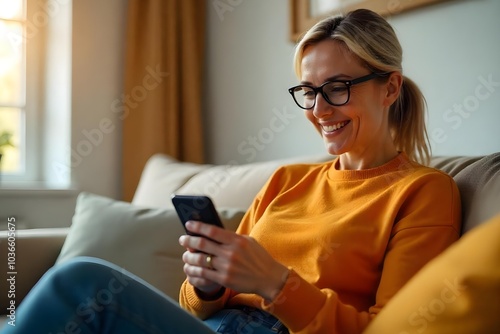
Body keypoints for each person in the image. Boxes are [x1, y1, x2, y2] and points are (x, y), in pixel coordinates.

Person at [2, 8, 461, 334]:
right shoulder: (288, 181)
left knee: (82, 281)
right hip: (217, 326)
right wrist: (206, 284)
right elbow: (197, 307)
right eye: (308, 90)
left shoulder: (423, 192)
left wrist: (275, 283)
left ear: (390, 87)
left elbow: (396, 329)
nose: (319, 109)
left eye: (337, 88)